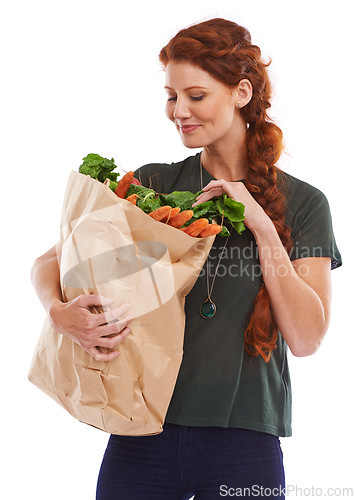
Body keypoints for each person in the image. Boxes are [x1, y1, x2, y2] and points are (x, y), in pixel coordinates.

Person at [31, 18, 342, 500]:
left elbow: (305, 338)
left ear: (241, 92)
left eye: (196, 96)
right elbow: (50, 262)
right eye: (172, 96)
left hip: (245, 438)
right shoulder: (151, 185)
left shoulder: (304, 203)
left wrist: (261, 226)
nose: (179, 111)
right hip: (141, 428)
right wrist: (59, 312)